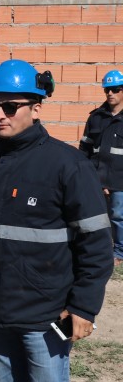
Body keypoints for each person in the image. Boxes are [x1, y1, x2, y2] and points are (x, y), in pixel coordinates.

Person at [0, 59, 113, 382]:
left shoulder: (68, 164)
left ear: (36, 108)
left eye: (10, 107)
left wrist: (83, 307)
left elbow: (96, 244)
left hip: (45, 313)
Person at [79, 69, 123, 267]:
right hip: (96, 177)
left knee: (118, 216)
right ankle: (100, 249)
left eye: (115, 89)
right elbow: (85, 148)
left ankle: (119, 252)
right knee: (95, 216)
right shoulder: (96, 117)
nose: (110, 93)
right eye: (107, 90)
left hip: (120, 179)